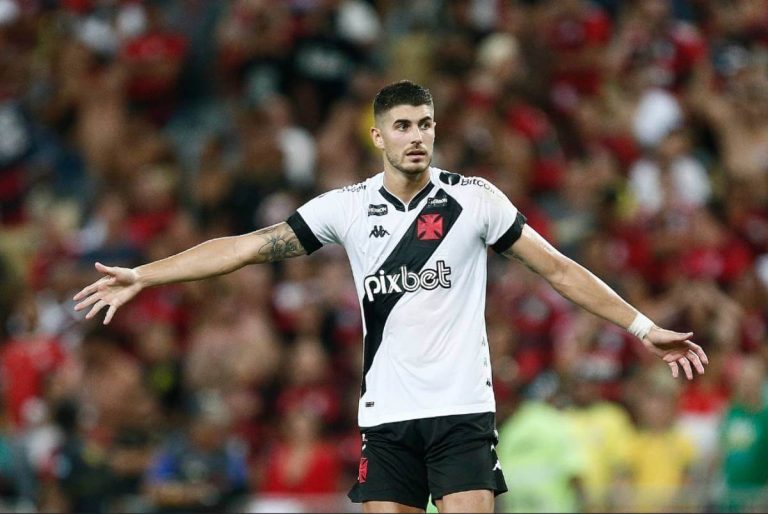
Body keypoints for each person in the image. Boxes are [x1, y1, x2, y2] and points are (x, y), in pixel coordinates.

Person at [73, 80, 709, 514]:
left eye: (425, 124)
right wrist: (145, 275)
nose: (416, 136)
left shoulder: (474, 200)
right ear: (378, 136)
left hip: (462, 411)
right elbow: (245, 246)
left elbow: (561, 270)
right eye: (402, 126)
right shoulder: (346, 208)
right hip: (387, 418)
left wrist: (643, 327)